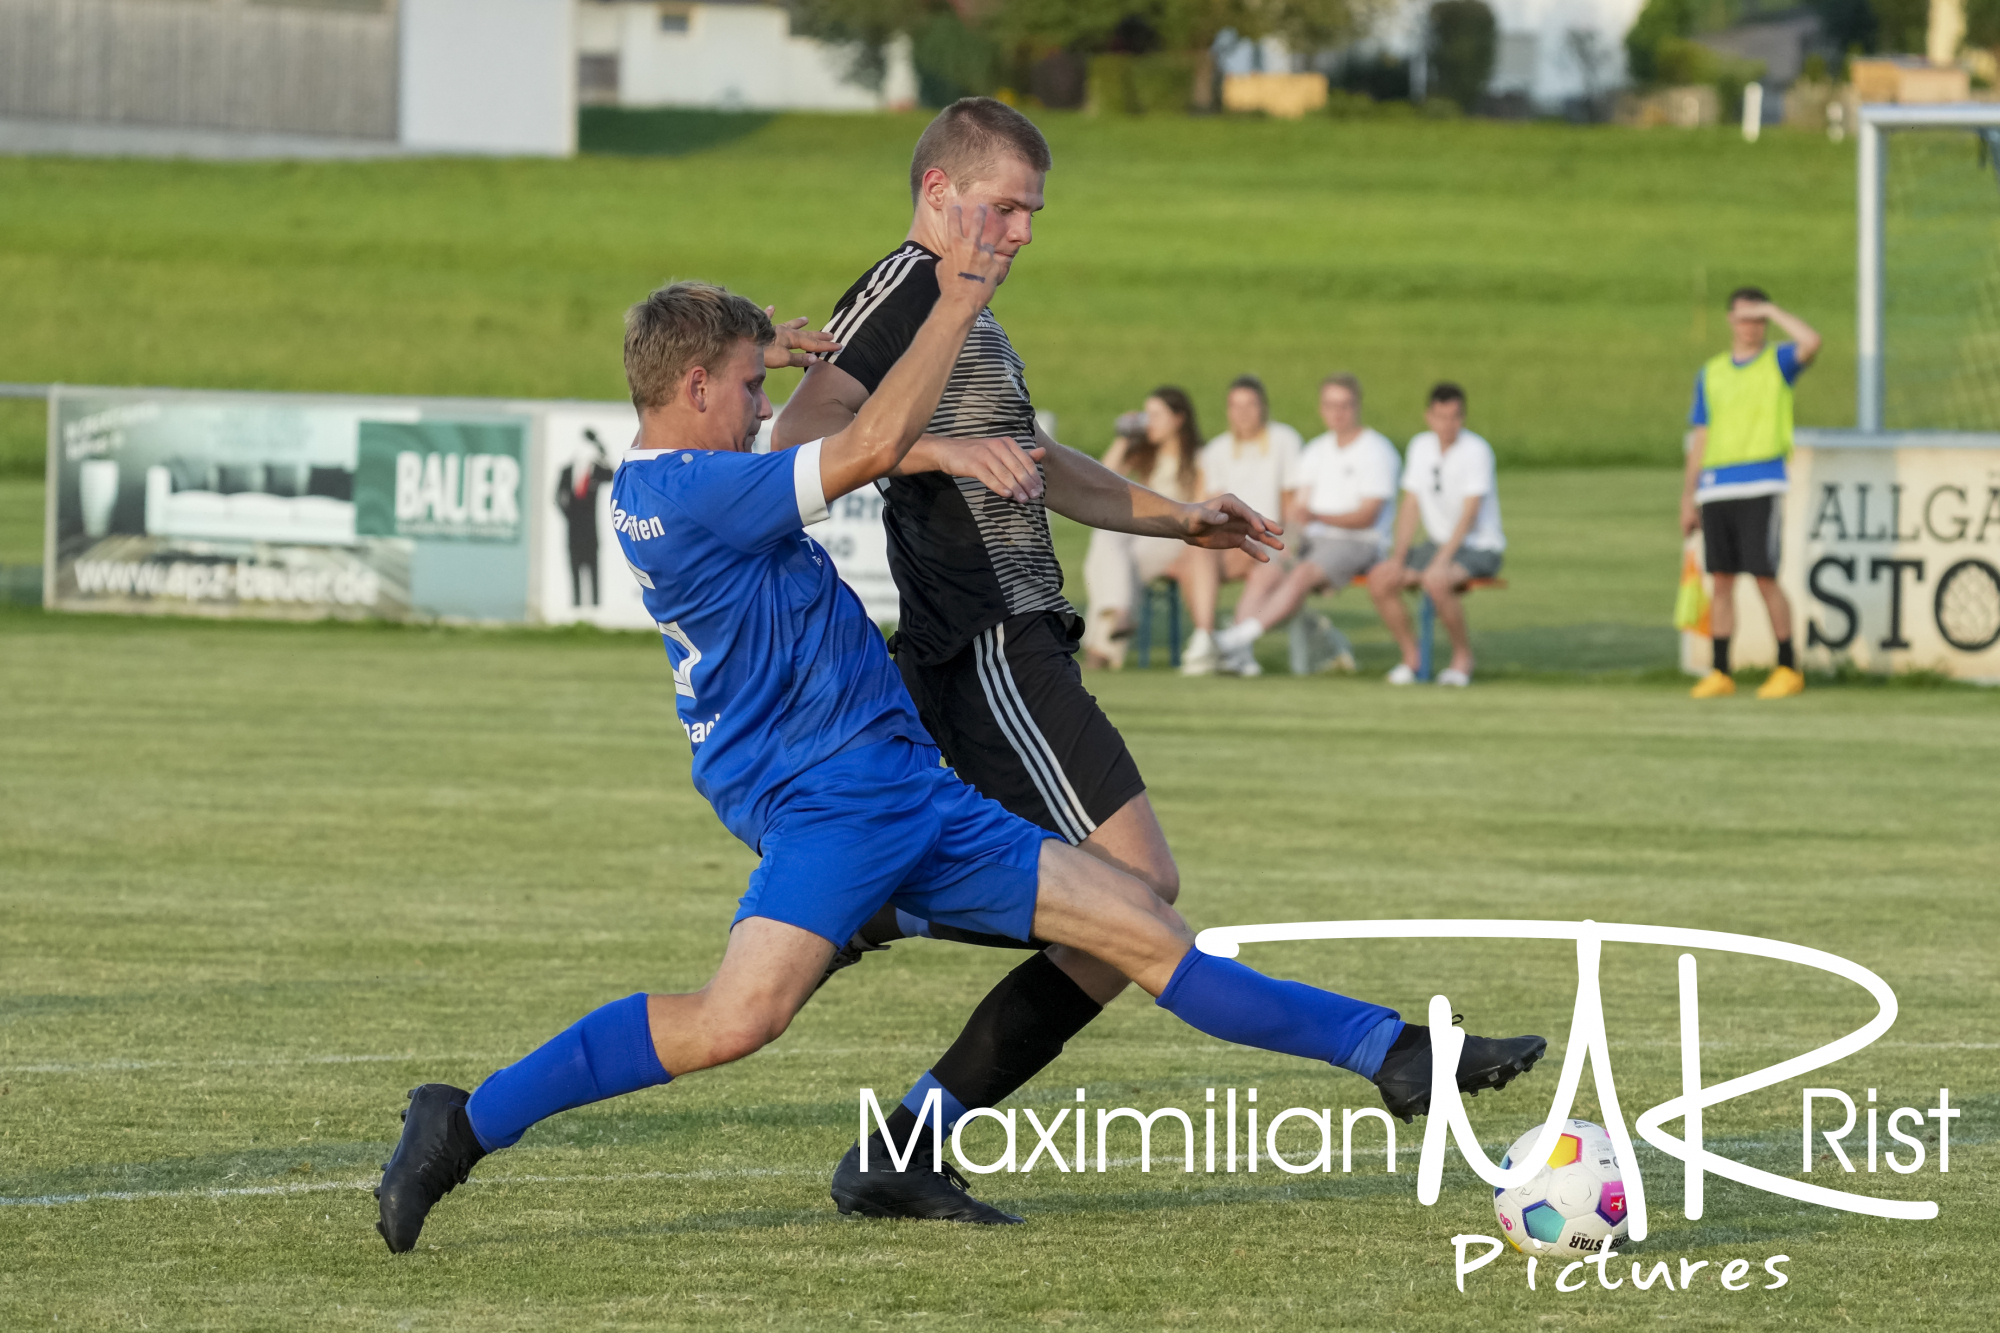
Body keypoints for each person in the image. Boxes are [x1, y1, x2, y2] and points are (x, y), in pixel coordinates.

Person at [371, 247, 1548, 1254]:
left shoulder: (689, 472)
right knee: (734, 1021)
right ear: (689, 389)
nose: (757, 405)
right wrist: (948, 302)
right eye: (740, 386)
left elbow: (858, 438)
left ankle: (1395, 1055)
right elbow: (869, 437)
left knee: (1142, 923)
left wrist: (773, 346)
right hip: (828, 802)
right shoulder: (688, 494)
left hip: (912, 796)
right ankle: (463, 1122)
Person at [769, 97, 1290, 1225]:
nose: (1021, 231)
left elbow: (1036, 463)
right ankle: (889, 947)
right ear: (938, 195)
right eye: (1004, 207)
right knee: (1136, 898)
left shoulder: (968, 314)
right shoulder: (903, 286)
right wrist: (944, 448)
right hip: (987, 638)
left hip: (1017, 634)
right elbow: (796, 443)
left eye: (1033, 213)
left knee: (1129, 911)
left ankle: (904, 1128)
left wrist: (1178, 517)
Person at [1680, 286, 1820, 700]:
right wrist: (1688, 495)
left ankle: (1786, 666)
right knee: (1721, 580)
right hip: (1716, 486)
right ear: (1730, 320)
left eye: (1758, 318)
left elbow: (1811, 342)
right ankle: (1721, 669)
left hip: (1761, 481)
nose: (1751, 326)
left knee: (1764, 576)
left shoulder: (1777, 362)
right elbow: (1701, 436)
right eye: (1745, 317)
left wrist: (1775, 310)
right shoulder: (1712, 372)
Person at [1214, 374, 1399, 676]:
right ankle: (1240, 656)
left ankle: (1236, 637)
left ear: (1357, 406)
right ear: (1321, 409)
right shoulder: (1316, 450)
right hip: (1314, 538)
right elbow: (1300, 509)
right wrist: (1290, 542)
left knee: (1302, 573)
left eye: (1344, 405)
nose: (1337, 413)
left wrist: (1317, 518)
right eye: (1330, 405)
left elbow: (1368, 516)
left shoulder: (1376, 450)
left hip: (1358, 541)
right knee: (1266, 569)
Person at [1366, 383, 1504, 688]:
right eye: (1441, 417)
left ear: (1463, 418)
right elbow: (1411, 504)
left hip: (1478, 547)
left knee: (1435, 580)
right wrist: (1399, 557)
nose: (1448, 425)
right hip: (1436, 544)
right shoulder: (1420, 447)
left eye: (1455, 417)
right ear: (1429, 417)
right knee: (1380, 579)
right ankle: (1412, 658)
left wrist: (1440, 562)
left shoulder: (1476, 451)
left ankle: (1462, 659)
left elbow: (1470, 515)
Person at [1183, 375, 1303, 675]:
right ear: (1228, 411)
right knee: (1195, 556)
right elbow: (1209, 505)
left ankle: (1235, 648)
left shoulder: (1283, 440)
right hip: (1234, 539)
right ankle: (1205, 639)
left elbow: (1291, 500)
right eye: (1236, 406)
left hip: (1272, 537)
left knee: (1264, 569)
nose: (1244, 413)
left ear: (1263, 407)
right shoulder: (1218, 450)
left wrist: (1289, 544)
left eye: (1250, 405)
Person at [1080, 390, 1207, 669]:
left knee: (1113, 563)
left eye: (1156, 416)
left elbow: (1202, 507)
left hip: (1174, 537)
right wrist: (1124, 438)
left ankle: (1099, 651)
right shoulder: (1146, 453)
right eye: (1145, 415)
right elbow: (1099, 477)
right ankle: (1121, 612)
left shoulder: (1199, 459)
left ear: (1178, 419)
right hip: (1140, 533)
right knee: (1105, 537)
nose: (1149, 422)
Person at [555, 430, 615, 607]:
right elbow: (557, 497)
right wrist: (569, 516)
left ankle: (596, 608)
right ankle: (576, 607)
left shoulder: (596, 471)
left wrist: (601, 451)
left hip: (591, 531)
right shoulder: (566, 471)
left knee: (594, 573)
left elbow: (611, 474)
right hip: (573, 531)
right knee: (575, 573)